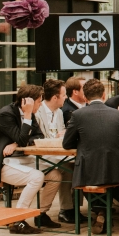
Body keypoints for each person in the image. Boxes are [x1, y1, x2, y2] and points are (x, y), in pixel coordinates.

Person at [62, 79, 119, 234]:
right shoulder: (118, 115)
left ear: (85, 96)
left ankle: (100, 211)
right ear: (104, 95)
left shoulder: (77, 115)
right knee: (110, 181)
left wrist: (84, 144)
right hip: (117, 168)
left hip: (89, 169)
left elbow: (67, 144)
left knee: (90, 179)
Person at [0, 84, 60, 234]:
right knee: (37, 177)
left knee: (55, 175)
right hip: (3, 163)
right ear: (29, 102)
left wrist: (16, 143)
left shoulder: (31, 114)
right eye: (39, 101)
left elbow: (38, 136)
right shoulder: (6, 114)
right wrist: (27, 115)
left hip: (23, 160)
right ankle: (17, 220)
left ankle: (41, 213)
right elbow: (24, 138)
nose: (40, 104)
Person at [33, 79, 68, 227]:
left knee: (73, 168)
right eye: (64, 95)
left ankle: (68, 209)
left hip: (56, 154)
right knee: (58, 174)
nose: (66, 98)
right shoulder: (37, 112)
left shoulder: (59, 112)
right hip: (39, 156)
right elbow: (36, 139)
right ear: (55, 97)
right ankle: (41, 212)